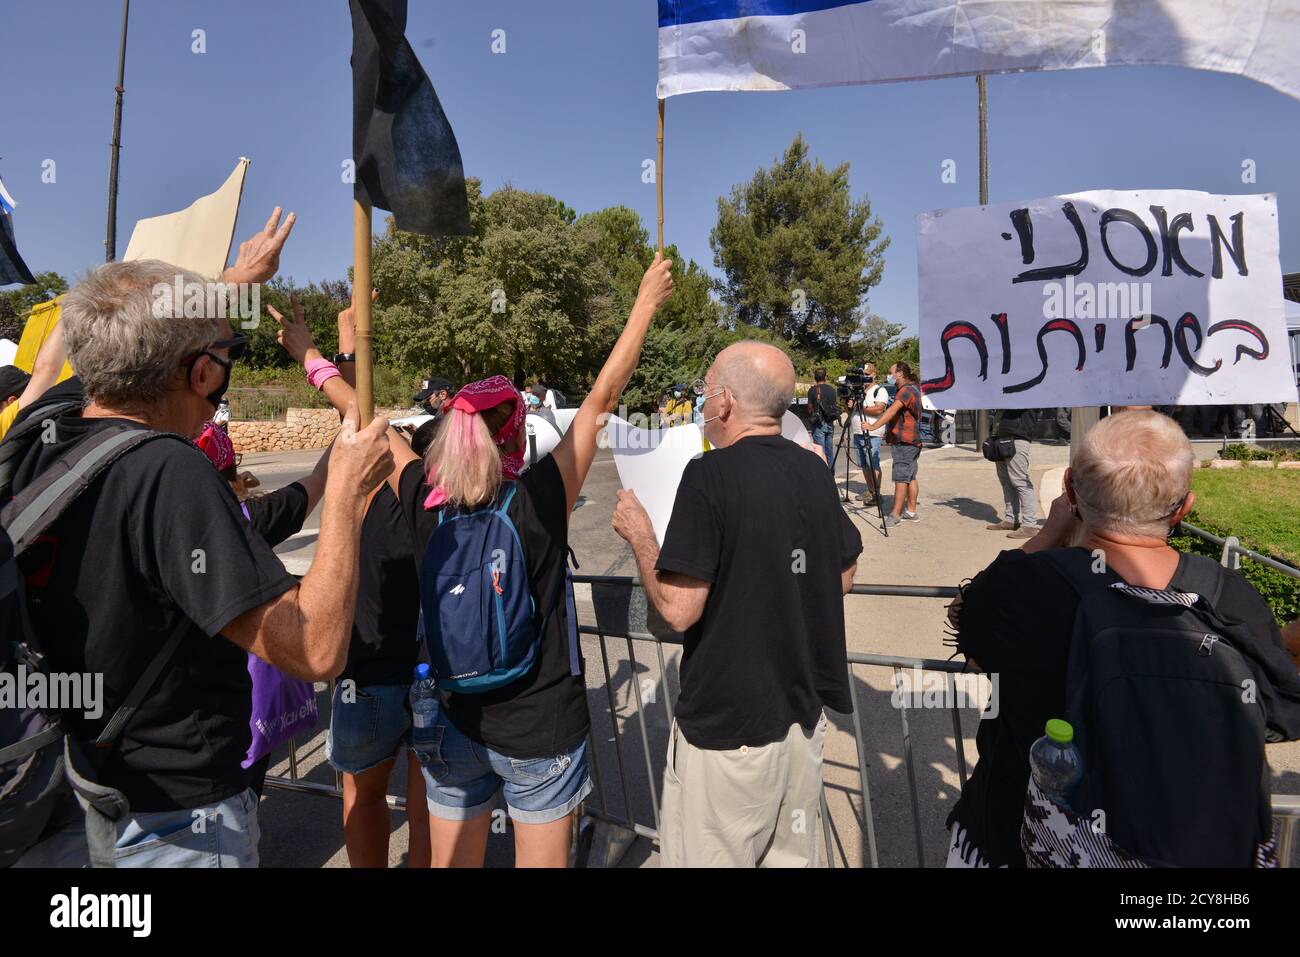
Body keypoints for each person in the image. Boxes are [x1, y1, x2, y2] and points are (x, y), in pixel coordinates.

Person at [9, 258, 394, 868]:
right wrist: (345, 495)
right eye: (226, 353)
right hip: (170, 825)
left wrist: (235, 283)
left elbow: (126, 337)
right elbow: (314, 649)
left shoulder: (39, 438)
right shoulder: (168, 472)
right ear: (203, 372)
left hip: (64, 792)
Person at [402, 255, 674, 867]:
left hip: (449, 713)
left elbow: (367, 425)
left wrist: (324, 356)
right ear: (516, 435)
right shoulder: (539, 498)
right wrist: (644, 306)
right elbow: (603, 396)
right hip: (539, 722)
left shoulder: (423, 497)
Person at [944, 411, 1300, 868]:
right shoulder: (1230, 594)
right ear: (1184, 507)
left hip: (1027, 840)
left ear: (1070, 490)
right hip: (1200, 847)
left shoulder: (1022, 588)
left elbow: (966, 616)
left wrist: (1051, 532)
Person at [611, 341, 862, 867]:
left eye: (705, 392)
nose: (703, 405)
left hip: (728, 737)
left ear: (725, 402)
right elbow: (843, 576)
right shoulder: (814, 469)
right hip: (801, 724)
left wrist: (640, 536)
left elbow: (679, 610)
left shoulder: (709, 474)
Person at [271, 294, 432, 868]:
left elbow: (358, 419)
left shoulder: (364, 496)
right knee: (424, 802)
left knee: (362, 794)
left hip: (365, 674)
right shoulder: (435, 502)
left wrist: (313, 355)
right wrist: (339, 347)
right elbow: (361, 420)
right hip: (428, 671)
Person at [868, 361, 923, 526]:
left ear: (900, 373)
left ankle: (895, 514)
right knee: (910, 477)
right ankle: (911, 511)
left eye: (892, 372)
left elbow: (891, 411)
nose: (890, 376)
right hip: (912, 440)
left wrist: (873, 426)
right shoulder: (913, 388)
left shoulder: (906, 391)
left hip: (904, 441)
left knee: (900, 478)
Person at [988, 408, 1041, 539]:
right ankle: (1011, 520)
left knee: (1021, 482)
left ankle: (1030, 525)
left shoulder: (1027, 393)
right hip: (999, 438)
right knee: (1006, 481)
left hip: (1017, 437)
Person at [849, 362, 889, 505]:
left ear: (874, 374)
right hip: (858, 432)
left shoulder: (880, 390)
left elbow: (879, 409)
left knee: (873, 463)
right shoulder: (858, 391)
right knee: (864, 464)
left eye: (866, 375)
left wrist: (861, 407)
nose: (864, 378)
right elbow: (851, 410)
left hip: (873, 433)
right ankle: (870, 490)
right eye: (862, 375)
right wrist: (849, 406)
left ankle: (877, 494)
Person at [805, 367, 839, 466]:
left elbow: (810, 409)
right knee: (829, 452)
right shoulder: (832, 390)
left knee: (820, 452)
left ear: (815, 378)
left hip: (819, 424)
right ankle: (831, 476)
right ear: (825, 377)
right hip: (830, 423)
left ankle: (823, 477)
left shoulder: (812, 391)